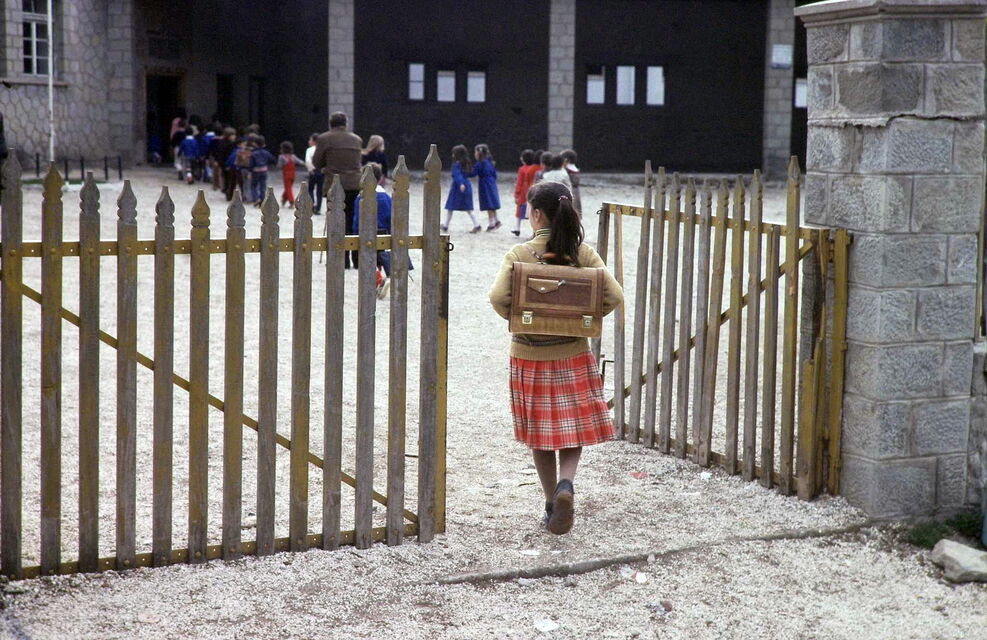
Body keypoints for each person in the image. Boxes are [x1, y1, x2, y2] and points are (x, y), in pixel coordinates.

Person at [487, 181, 623, 535]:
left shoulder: (519, 254)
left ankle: (551, 502)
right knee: (572, 427)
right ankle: (567, 483)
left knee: (540, 433)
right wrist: (582, 318)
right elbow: (613, 296)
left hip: (529, 354)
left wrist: (520, 318)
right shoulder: (583, 253)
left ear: (536, 214)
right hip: (573, 352)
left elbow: (498, 297)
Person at [312, 111, 363, 268]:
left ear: (330, 123)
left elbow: (317, 162)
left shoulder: (324, 138)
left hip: (335, 185)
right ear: (345, 124)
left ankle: (341, 258)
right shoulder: (356, 139)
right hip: (354, 184)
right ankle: (356, 258)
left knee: (336, 222)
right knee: (353, 220)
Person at [442, 145, 480, 234]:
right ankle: (476, 224)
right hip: (467, 186)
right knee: (468, 208)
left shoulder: (456, 165)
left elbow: (457, 175)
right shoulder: (466, 164)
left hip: (457, 188)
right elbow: (471, 173)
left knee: (450, 207)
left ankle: (446, 225)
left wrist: (460, 183)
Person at [471, 143, 502, 231]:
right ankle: (496, 220)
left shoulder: (480, 163)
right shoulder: (490, 162)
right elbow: (494, 174)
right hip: (492, 183)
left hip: (484, 185)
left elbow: (473, 173)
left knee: (488, 204)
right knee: (492, 203)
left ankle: (491, 224)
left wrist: (465, 172)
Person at [511, 149, 537, 237]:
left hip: (523, 192)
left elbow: (519, 182)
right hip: (532, 191)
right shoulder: (534, 168)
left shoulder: (521, 169)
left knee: (519, 211)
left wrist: (516, 194)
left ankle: (517, 228)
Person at [249, 135, 277, 206]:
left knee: (253, 186)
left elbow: (251, 164)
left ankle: (255, 199)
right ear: (264, 144)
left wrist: (250, 171)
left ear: (255, 144)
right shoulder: (266, 152)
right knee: (262, 186)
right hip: (264, 171)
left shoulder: (253, 153)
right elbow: (273, 159)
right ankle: (262, 199)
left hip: (255, 171)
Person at [277, 141, 305, 208]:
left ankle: (291, 201)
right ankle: (284, 199)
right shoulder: (293, 156)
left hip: (286, 175)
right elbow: (300, 162)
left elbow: (279, 166)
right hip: (293, 175)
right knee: (288, 187)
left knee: (288, 188)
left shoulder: (281, 157)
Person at [216, 128, 238, 201]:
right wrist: (225, 165)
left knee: (228, 179)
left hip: (225, 164)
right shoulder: (228, 144)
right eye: (233, 135)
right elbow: (223, 155)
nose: (234, 137)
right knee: (230, 180)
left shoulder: (223, 143)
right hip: (228, 164)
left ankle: (229, 194)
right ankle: (230, 195)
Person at [304, 133, 323, 215]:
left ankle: (312, 205)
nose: (309, 141)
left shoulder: (309, 150)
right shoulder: (322, 149)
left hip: (313, 171)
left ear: (314, 141)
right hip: (321, 171)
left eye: (310, 140)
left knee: (311, 189)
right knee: (320, 191)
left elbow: (308, 161)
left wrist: (310, 169)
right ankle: (318, 208)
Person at [560, 149, 582, 214]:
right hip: (576, 192)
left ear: (566, 160)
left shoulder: (566, 170)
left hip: (568, 192)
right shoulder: (576, 170)